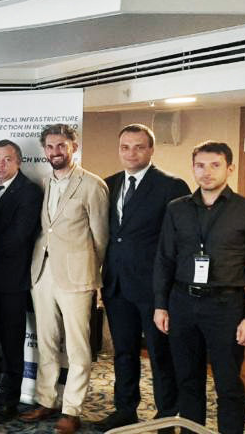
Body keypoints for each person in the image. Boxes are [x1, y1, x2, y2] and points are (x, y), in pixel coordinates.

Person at [153, 141, 245, 434]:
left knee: (228, 384)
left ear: (230, 168)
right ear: (193, 168)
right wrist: (160, 304)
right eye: (200, 165)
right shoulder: (177, 209)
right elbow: (164, 259)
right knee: (187, 381)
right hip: (182, 303)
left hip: (226, 306)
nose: (206, 172)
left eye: (215, 165)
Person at [96, 125, 189, 430]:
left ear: (151, 150)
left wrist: (170, 288)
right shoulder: (108, 184)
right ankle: (125, 409)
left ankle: (166, 416)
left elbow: (179, 242)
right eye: (125, 147)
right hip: (116, 284)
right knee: (123, 352)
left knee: (161, 354)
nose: (131, 153)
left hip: (153, 288)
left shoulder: (171, 186)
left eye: (138, 147)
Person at [19, 124, 108, 434]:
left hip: (77, 277)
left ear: (74, 147)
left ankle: (72, 409)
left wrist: (93, 274)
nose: (55, 152)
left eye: (61, 146)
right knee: (46, 341)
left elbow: (101, 238)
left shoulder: (92, 185)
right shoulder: (43, 183)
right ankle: (46, 400)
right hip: (42, 273)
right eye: (50, 146)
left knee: (78, 347)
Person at [0, 139, 42, 422]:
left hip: (11, 281)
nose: (0, 165)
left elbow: (20, 235)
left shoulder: (30, 191)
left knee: (11, 344)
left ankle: (9, 400)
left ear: (18, 162)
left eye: (7, 159)